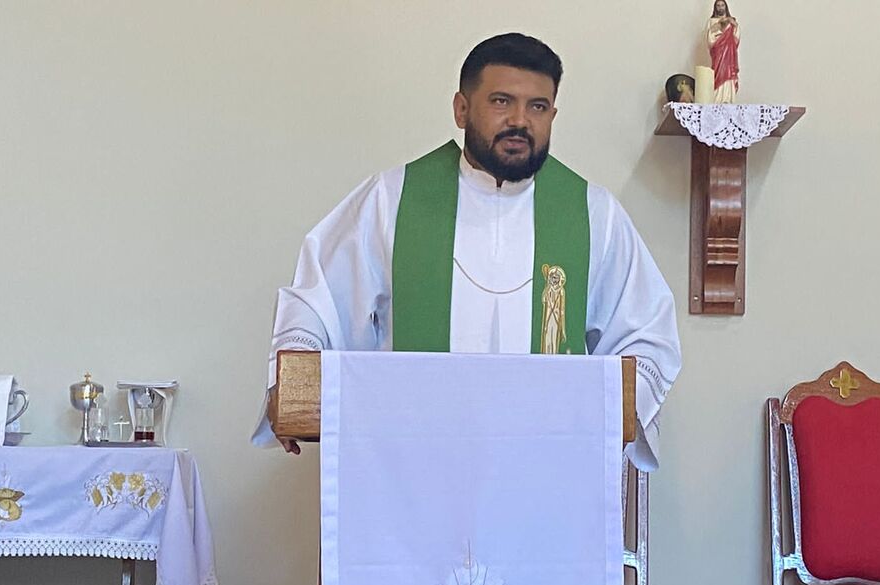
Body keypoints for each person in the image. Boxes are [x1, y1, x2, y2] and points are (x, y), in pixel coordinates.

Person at [254, 32, 681, 470]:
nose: (520, 121)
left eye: (538, 107)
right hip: (413, 467)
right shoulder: (393, 199)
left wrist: (615, 414)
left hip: (544, 472)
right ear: (462, 109)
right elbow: (318, 300)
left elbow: (646, 330)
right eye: (501, 101)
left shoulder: (592, 213)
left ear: (553, 115)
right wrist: (290, 387)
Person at [707, 0, 740, 103]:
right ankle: (717, 98)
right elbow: (709, 39)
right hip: (718, 53)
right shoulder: (711, 21)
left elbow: (736, 37)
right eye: (718, 6)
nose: (720, 8)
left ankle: (728, 98)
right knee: (718, 73)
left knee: (729, 73)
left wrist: (734, 25)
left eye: (722, 5)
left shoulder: (731, 21)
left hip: (729, 54)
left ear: (726, 7)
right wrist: (717, 28)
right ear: (715, 8)